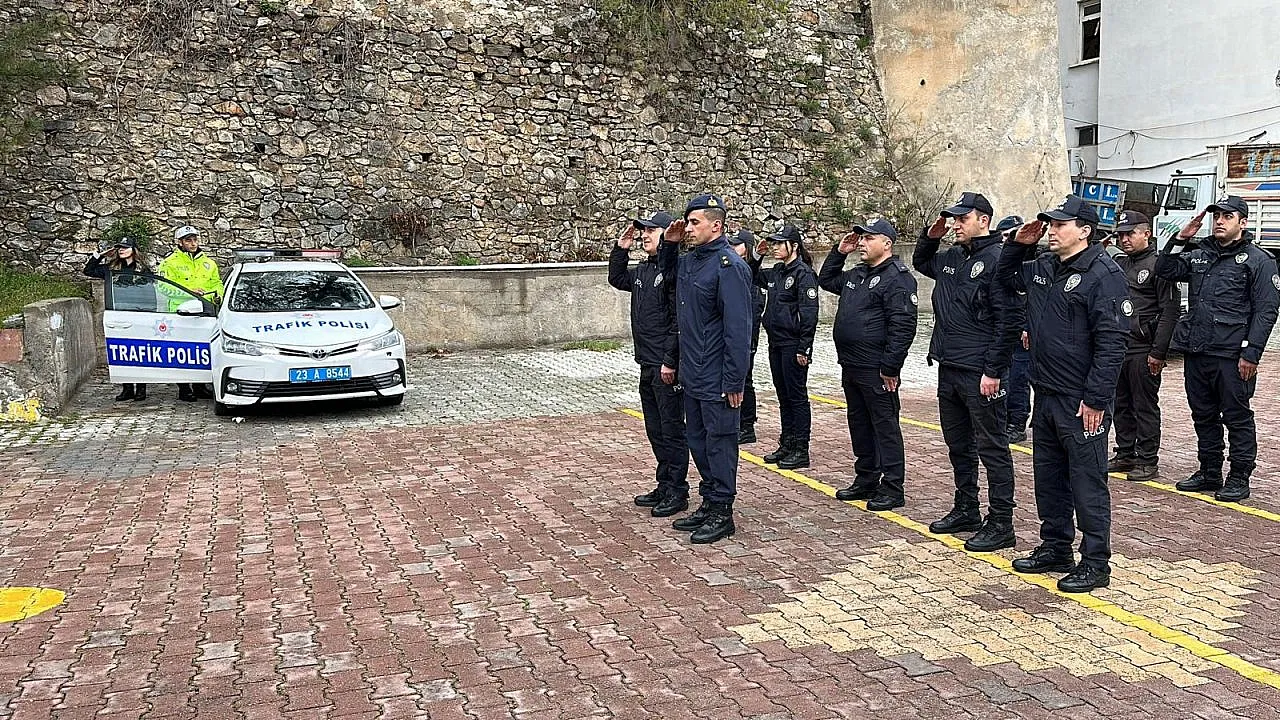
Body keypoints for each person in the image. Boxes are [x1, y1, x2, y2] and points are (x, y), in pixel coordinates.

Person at [997, 195, 1131, 593]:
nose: (1052, 231)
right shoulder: (1044, 267)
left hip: (1081, 400)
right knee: (1049, 477)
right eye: (1050, 225)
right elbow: (1004, 278)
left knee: (1087, 482)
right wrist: (1018, 244)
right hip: (1047, 392)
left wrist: (1095, 399)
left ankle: (1095, 562)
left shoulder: (1103, 274)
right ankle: (1056, 547)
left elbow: (1112, 342)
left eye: (1060, 225)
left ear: (1085, 231)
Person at [912, 192, 1021, 552]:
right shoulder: (953, 257)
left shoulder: (997, 260)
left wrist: (994, 371)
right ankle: (966, 507)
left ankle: (1001, 521)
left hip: (981, 372)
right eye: (953, 219)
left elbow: (1008, 323)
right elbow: (921, 260)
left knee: (992, 447)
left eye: (962, 219)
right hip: (950, 365)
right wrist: (933, 232)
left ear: (984, 221)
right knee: (958, 445)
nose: (956, 225)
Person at [1155, 196, 1280, 501]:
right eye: (1217, 216)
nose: (1220, 221)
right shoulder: (1201, 254)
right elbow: (1165, 268)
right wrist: (1181, 238)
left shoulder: (1258, 260)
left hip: (1232, 355)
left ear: (1243, 222)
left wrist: (1252, 353)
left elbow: (1267, 310)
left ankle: (1239, 477)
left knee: (1236, 417)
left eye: (1227, 216)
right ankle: (1210, 471)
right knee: (1203, 415)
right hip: (1198, 350)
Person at [662, 194, 753, 544]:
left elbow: (738, 329)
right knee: (698, 440)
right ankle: (709, 499)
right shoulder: (691, 261)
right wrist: (670, 245)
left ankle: (722, 511)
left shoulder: (729, 266)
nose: (688, 228)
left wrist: (734, 379)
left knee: (721, 443)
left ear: (716, 225)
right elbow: (669, 280)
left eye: (695, 222)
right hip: (694, 372)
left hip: (717, 374)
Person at [818, 218, 918, 511]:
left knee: (885, 426)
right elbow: (826, 280)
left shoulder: (897, 277)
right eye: (860, 238)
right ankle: (867, 478)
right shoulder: (857, 274)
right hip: (851, 365)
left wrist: (890, 367)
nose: (861, 242)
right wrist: (839, 251)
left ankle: (892, 486)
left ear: (886, 243)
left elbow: (903, 327)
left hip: (876, 368)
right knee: (859, 424)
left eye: (868, 238)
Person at [609, 211, 690, 518]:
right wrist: (621, 248)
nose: (643, 235)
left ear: (668, 234)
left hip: (666, 365)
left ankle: (677, 491)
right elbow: (617, 278)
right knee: (655, 429)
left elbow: (678, 321)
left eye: (650, 231)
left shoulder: (675, 272)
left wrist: (671, 360)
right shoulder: (643, 269)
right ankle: (664, 484)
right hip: (646, 361)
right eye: (642, 231)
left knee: (672, 430)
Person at [1108, 211, 1181, 481]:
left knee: (1144, 405)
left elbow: (1170, 311)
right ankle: (1126, 453)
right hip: (1119, 346)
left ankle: (1147, 459)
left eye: (1130, 233)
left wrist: (1158, 351)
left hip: (1143, 347)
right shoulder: (1120, 264)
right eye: (1121, 234)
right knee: (1121, 403)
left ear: (1146, 233)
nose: (1124, 239)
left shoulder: (1159, 265)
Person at [750, 223, 819, 470]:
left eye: (779, 243)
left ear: (794, 246)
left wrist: (804, 348)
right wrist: (756, 256)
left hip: (793, 344)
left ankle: (801, 448)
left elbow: (810, 313)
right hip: (776, 342)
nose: (775, 247)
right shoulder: (778, 271)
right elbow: (750, 274)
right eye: (773, 243)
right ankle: (787, 443)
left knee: (796, 397)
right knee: (783, 396)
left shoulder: (803, 274)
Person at [157, 225, 224, 402]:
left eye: (195, 239)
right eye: (188, 240)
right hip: (180, 313)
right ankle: (184, 387)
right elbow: (164, 287)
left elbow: (218, 284)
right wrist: (189, 292)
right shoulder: (169, 263)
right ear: (179, 242)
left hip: (205, 312)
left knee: (203, 350)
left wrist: (214, 296)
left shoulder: (209, 263)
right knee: (182, 352)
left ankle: (200, 386)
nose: (193, 243)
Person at [84, 237, 152, 402]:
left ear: (133, 250)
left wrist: (149, 314)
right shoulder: (112, 268)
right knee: (123, 353)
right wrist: (100, 254)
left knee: (139, 353)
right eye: (120, 247)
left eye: (126, 247)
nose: (122, 250)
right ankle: (127, 388)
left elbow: (150, 293)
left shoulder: (142, 270)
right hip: (119, 315)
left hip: (137, 314)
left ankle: (141, 389)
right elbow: (88, 270)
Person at [994, 215, 1032, 445]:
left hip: (1021, 333)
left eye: (1012, 236)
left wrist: (1025, 327)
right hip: (1003, 330)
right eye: (1005, 236)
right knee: (1004, 377)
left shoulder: (1028, 262)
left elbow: (1032, 298)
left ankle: (1017, 423)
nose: (1007, 241)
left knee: (1019, 378)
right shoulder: (1000, 263)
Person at [728, 229, 766, 445]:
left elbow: (751, 272)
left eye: (737, 244)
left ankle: (747, 425)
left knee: (745, 378)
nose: (732, 248)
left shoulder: (751, 277)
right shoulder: (735, 270)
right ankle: (739, 421)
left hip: (746, 337)